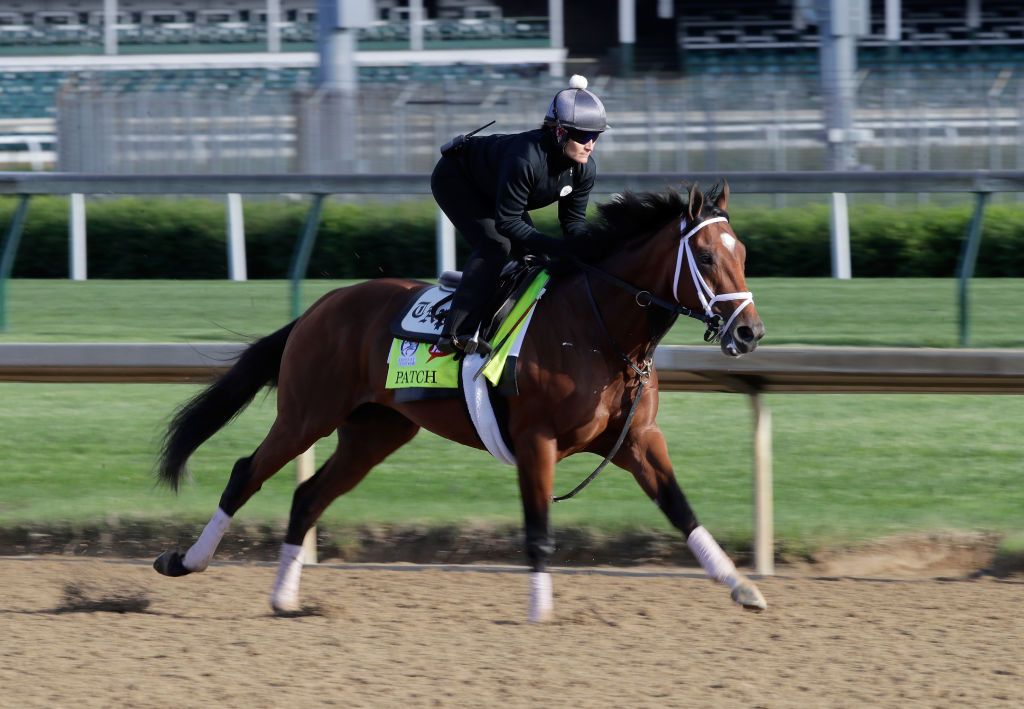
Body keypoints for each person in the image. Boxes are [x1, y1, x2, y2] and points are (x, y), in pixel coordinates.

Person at [430, 74, 608, 355]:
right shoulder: (526, 159)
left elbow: (572, 221)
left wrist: (588, 247)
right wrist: (558, 246)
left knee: (534, 258)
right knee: (496, 245)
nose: (591, 144)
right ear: (559, 132)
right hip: (457, 179)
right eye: (584, 135)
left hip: (494, 186)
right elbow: (508, 222)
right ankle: (456, 332)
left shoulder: (585, 168)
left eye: (596, 136)